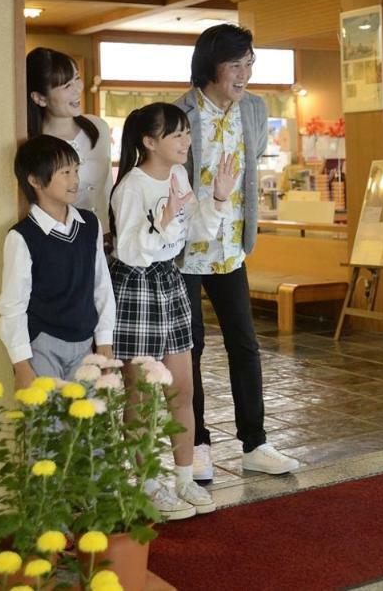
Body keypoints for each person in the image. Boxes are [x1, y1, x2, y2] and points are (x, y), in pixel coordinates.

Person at [177, 24, 300, 479]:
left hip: (231, 247)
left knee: (245, 346)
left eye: (250, 64)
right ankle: (199, 444)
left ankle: (255, 443)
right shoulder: (179, 113)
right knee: (190, 349)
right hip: (185, 251)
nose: (244, 73)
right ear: (212, 65)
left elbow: (253, 164)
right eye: (236, 64)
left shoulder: (254, 108)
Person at [109, 102, 237, 520]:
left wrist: (217, 198)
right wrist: (161, 225)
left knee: (182, 389)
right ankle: (148, 484)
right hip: (138, 287)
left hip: (170, 280)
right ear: (149, 142)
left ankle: (183, 479)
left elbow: (194, 230)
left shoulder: (179, 174)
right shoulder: (132, 185)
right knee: (142, 396)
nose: (185, 141)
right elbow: (128, 250)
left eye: (186, 133)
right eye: (176, 134)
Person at [0, 135, 116, 388]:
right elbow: (13, 305)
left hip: (85, 342)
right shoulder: (22, 237)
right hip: (42, 344)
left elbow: (101, 286)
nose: (75, 180)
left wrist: (105, 342)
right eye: (65, 172)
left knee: (87, 423)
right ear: (35, 180)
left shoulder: (89, 224)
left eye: (76, 170)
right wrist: (21, 365)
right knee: (48, 425)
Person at [26, 47, 113, 235]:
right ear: (40, 98)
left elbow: (107, 188)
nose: (77, 89)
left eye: (77, 78)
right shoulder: (33, 145)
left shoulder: (99, 128)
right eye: (66, 86)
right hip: (62, 242)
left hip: (105, 239)